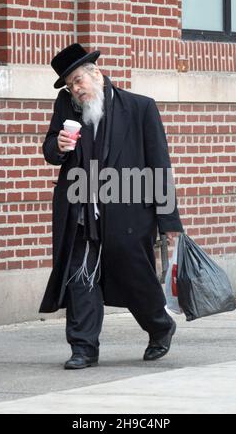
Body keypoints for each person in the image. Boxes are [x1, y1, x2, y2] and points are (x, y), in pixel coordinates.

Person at [40, 43, 184, 369]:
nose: (75, 89)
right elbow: (50, 148)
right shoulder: (66, 106)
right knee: (81, 278)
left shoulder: (139, 108)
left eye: (78, 80)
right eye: (70, 84)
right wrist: (58, 146)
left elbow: (159, 165)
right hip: (80, 212)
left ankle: (160, 326)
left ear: (97, 74)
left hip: (128, 211)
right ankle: (83, 348)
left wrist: (169, 221)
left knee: (136, 279)